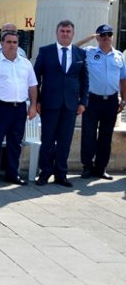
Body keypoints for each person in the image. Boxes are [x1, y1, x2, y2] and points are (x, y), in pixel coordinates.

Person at [34, 20, 89, 187]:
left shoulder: (80, 54)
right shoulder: (46, 51)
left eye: (68, 31)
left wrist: (83, 102)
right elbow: (36, 78)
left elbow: (84, 80)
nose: (65, 34)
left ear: (73, 34)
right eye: (62, 31)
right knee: (48, 140)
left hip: (71, 105)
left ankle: (61, 174)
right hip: (49, 103)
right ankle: (45, 172)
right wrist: (36, 101)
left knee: (65, 141)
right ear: (56, 33)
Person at [0, 31, 38, 185]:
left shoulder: (25, 63)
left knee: (15, 143)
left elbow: (33, 86)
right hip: (0, 107)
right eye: (9, 42)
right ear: (2, 44)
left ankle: (12, 174)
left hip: (19, 108)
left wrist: (32, 106)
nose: (12, 45)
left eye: (15, 42)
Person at [76, 24, 126, 180]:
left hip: (111, 100)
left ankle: (100, 168)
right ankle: (87, 167)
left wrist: (124, 99)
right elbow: (72, 48)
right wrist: (90, 38)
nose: (106, 38)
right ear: (98, 37)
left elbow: (123, 79)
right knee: (88, 135)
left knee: (106, 136)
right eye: (102, 35)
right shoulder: (89, 52)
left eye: (109, 35)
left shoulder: (118, 55)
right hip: (93, 99)